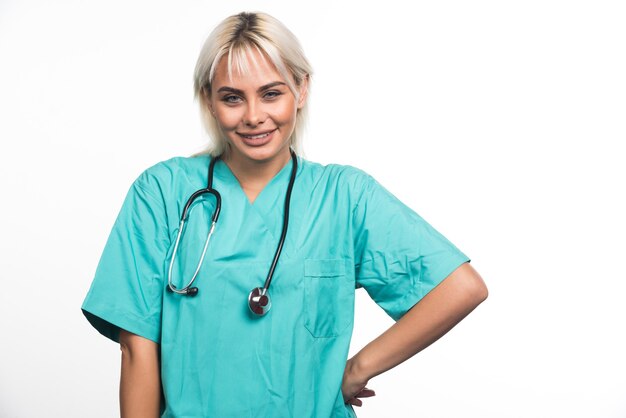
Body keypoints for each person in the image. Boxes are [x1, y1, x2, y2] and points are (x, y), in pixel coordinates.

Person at [81, 11, 488, 418]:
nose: (254, 116)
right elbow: (137, 347)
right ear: (209, 99)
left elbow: (460, 287)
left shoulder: (344, 197)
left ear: (302, 88)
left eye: (271, 93)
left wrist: (358, 369)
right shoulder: (162, 193)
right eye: (232, 97)